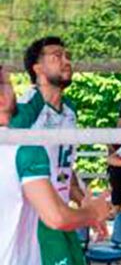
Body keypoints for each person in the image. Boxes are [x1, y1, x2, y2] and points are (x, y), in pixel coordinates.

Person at [0, 39, 111, 265]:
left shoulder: (70, 110)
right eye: (56, 56)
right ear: (38, 68)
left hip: (62, 213)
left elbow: (63, 171)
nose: (66, 61)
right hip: (37, 221)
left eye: (67, 55)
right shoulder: (26, 109)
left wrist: (85, 204)